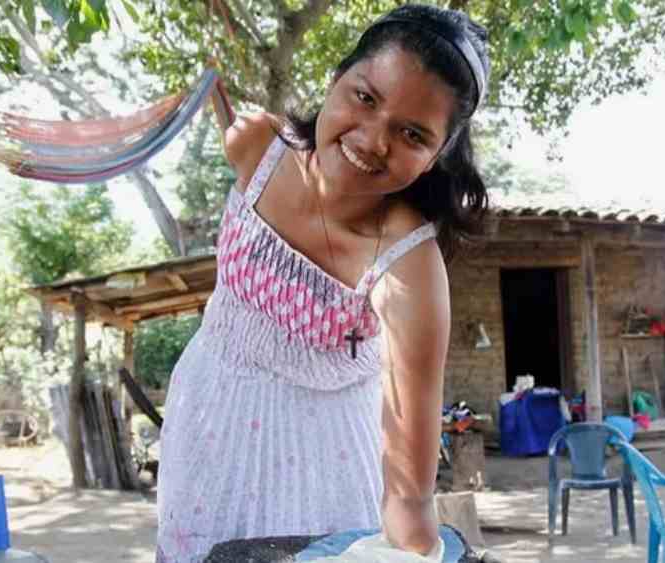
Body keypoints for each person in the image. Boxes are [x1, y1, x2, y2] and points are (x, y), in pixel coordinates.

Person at [155, 4, 491, 561]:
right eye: (365, 97)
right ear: (335, 80)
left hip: (322, 464)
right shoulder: (256, 150)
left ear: (436, 156)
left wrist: (418, 544)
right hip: (205, 421)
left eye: (412, 134)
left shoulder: (408, 264)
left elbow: (410, 489)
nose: (374, 140)